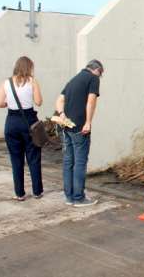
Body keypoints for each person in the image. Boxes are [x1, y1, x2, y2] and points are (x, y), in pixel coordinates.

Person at [55, 59, 103, 207]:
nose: (100, 77)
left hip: (66, 126)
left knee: (69, 161)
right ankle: (79, 198)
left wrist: (61, 114)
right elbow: (91, 101)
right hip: (80, 127)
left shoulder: (73, 80)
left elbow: (60, 99)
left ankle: (69, 197)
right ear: (97, 70)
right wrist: (88, 122)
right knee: (80, 162)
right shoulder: (93, 78)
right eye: (101, 74)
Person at [0, 56, 44, 201]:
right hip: (29, 121)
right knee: (33, 158)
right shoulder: (32, 82)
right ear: (29, 68)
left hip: (11, 122)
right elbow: (39, 102)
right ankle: (37, 191)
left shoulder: (6, 82)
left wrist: (9, 104)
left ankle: (19, 193)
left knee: (16, 159)